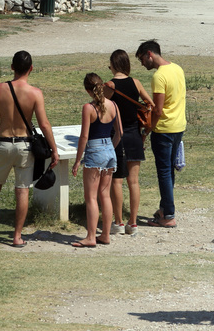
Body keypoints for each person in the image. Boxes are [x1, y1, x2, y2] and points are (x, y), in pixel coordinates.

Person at [0, 51, 59, 247]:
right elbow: (44, 124)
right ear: (31, 69)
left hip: (4, 142)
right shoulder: (35, 93)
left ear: (12, 67)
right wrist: (54, 149)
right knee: (22, 190)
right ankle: (17, 236)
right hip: (25, 146)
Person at [135, 40, 186, 228]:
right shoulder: (177, 69)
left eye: (142, 59)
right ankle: (165, 209)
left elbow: (157, 109)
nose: (142, 64)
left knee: (164, 172)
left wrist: (148, 129)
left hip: (164, 129)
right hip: (179, 126)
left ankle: (169, 215)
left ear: (149, 54)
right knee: (169, 171)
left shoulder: (159, 76)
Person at [105, 49, 154, 235]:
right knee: (133, 181)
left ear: (113, 64)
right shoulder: (136, 82)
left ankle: (117, 222)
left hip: (115, 135)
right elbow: (151, 104)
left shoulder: (109, 85)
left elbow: (100, 107)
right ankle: (132, 223)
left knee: (116, 181)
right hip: (134, 134)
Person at [71, 73, 123, 248]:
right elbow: (120, 132)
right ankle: (105, 235)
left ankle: (91, 237)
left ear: (88, 90)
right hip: (109, 150)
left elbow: (84, 136)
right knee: (105, 195)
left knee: (91, 197)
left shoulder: (89, 108)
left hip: (95, 151)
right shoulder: (113, 105)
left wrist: (78, 160)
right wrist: (110, 148)